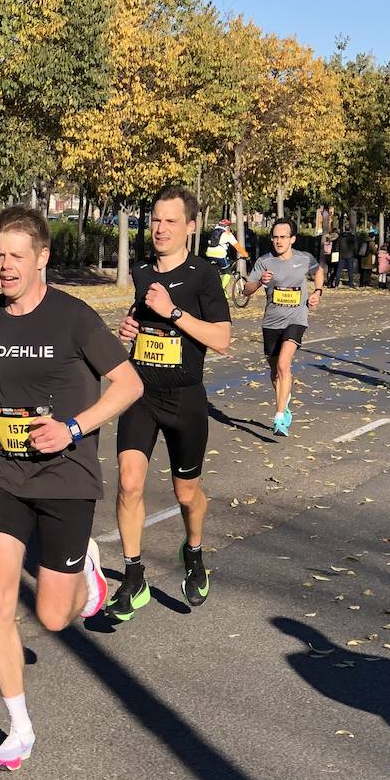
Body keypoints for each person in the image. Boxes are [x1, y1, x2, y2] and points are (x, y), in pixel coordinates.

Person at [0, 206, 142, 771]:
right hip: (5, 474)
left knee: (56, 617)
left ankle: (88, 572)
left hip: (67, 476)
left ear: (42, 257)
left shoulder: (74, 318)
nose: (4, 267)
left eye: (16, 256)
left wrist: (75, 427)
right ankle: (19, 727)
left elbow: (128, 383)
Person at [110, 187, 232, 620]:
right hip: (141, 393)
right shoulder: (142, 271)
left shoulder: (203, 275)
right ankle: (133, 575)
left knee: (186, 494)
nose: (160, 229)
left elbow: (222, 340)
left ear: (190, 227)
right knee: (128, 483)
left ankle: (194, 551)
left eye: (170, 221)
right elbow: (141, 320)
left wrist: (175, 313)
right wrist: (129, 328)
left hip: (185, 399)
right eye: (156, 220)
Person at [243, 218, 324, 436]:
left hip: (296, 319)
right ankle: (284, 403)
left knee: (283, 364)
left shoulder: (304, 258)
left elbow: (318, 272)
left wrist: (317, 292)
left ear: (292, 239)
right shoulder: (264, 261)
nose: (278, 241)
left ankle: (279, 417)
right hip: (271, 322)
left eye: (283, 237)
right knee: (274, 370)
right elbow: (246, 290)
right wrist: (260, 281)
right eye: (275, 237)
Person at [202, 217, 248, 296]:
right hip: (219, 254)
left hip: (209, 253)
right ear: (227, 227)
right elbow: (237, 246)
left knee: (217, 270)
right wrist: (245, 255)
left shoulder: (214, 232)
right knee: (228, 271)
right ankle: (221, 290)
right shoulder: (228, 234)